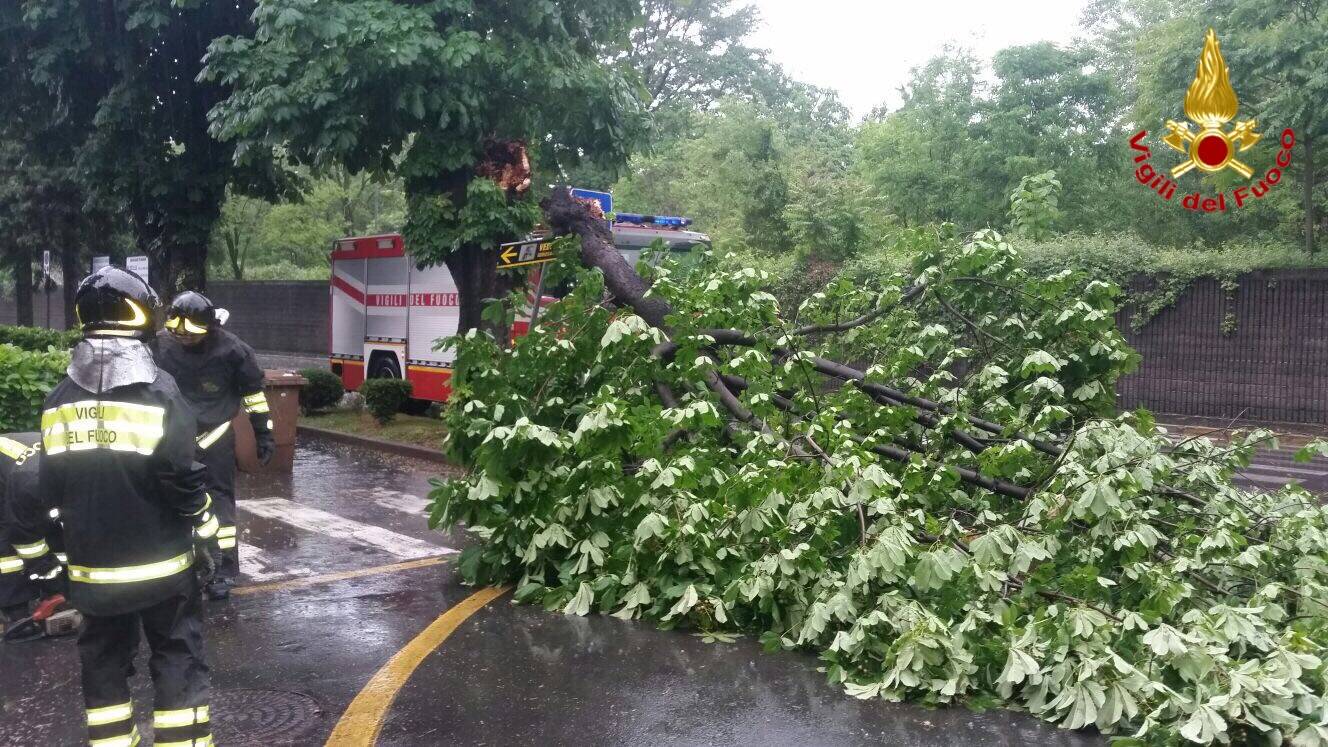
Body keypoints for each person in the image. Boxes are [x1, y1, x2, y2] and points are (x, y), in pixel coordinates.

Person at [40, 267, 223, 747]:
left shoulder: (56, 401)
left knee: (102, 671)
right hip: (164, 573)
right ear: (142, 316)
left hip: (93, 578)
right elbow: (185, 481)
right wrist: (208, 538)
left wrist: (63, 565)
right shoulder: (160, 394)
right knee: (177, 656)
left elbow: (51, 493)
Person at [154, 291, 274, 600]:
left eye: (191, 334)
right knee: (168, 501)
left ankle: (224, 569)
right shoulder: (160, 345)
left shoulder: (234, 351)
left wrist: (264, 434)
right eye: (177, 333)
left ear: (210, 327)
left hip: (215, 437)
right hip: (171, 437)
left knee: (220, 504)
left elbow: (253, 396)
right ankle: (182, 563)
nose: (184, 339)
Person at [0, 432, 63, 626]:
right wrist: (53, 582)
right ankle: (15, 612)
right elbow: (24, 537)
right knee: (7, 548)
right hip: (15, 480)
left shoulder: (75, 475)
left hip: (21, 471)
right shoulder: (29, 484)